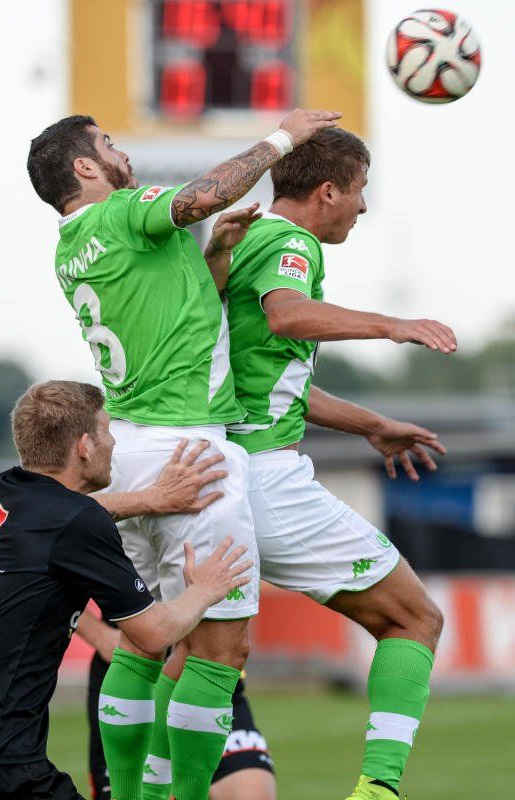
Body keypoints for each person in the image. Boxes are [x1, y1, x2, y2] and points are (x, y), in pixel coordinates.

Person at [27, 107, 341, 800]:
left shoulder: (71, 245)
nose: (122, 153)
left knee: (144, 643)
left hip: (131, 447)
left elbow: (171, 311)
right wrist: (284, 137)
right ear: (85, 167)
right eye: (108, 145)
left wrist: (215, 255)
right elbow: (204, 195)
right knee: (220, 652)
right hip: (190, 446)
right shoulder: (123, 211)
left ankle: (133, 793)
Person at [223, 128, 456, 800]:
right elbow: (289, 317)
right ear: (328, 191)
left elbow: (270, 378)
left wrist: (372, 425)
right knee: (414, 619)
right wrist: (392, 325)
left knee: (197, 657)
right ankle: (378, 791)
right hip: (266, 481)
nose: (363, 206)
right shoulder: (290, 244)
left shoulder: (240, 242)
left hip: (212, 471)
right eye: (359, 191)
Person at [0, 381, 251, 800]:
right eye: (106, 431)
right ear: (85, 446)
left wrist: (152, 499)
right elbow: (153, 635)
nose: (114, 442)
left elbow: (71, 515)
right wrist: (204, 590)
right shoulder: (76, 523)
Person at [76, 612, 276, 800]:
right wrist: (100, 635)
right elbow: (61, 585)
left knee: (253, 792)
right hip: (132, 685)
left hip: (211, 684)